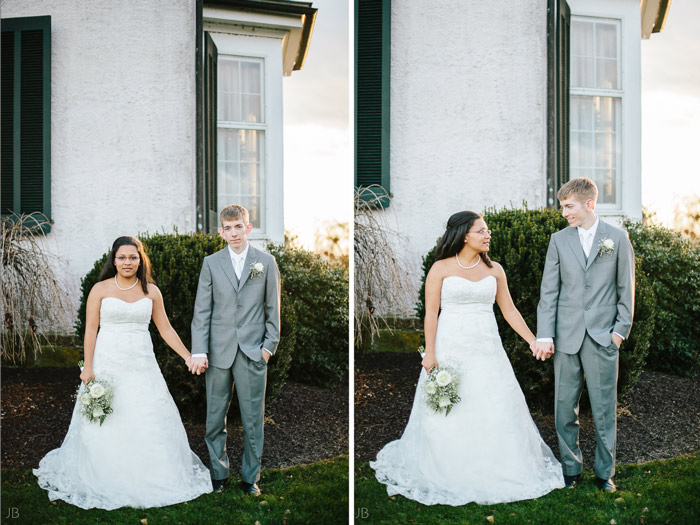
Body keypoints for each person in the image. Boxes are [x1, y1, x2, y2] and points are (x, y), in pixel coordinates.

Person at [371, 211, 564, 505]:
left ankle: (499, 465)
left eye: (487, 231)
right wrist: (431, 352)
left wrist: (532, 340)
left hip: (487, 349)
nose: (488, 235)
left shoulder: (495, 269)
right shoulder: (440, 268)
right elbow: (431, 312)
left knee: (493, 402)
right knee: (450, 408)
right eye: (481, 231)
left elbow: (509, 310)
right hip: (451, 348)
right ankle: (447, 466)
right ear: (464, 235)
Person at [33, 236, 212, 510]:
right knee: (107, 418)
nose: (127, 262)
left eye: (133, 257)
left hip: (142, 364)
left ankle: (153, 475)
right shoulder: (100, 289)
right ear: (113, 260)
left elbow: (165, 329)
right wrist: (88, 367)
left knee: (146, 415)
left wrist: (188, 356)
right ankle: (103, 474)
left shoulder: (151, 291)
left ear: (140, 260)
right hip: (108, 363)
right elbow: (91, 329)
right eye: (122, 257)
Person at [534, 177, 635, 493]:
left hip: (603, 338)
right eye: (562, 207)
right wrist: (546, 335)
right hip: (565, 338)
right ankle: (571, 470)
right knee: (564, 407)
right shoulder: (559, 240)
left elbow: (626, 291)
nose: (564, 212)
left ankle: (605, 473)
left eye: (569, 206)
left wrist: (618, 333)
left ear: (589, 204)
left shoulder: (617, 239)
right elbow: (549, 292)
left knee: (605, 409)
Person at [189, 204, 281, 496]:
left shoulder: (265, 262)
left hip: (253, 353)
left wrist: (268, 348)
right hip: (218, 353)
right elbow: (202, 312)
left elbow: (273, 310)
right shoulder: (211, 263)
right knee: (215, 417)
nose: (233, 233)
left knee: (253, 418)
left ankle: (250, 478)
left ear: (248, 228)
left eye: (238, 226)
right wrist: (200, 351)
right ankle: (218, 474)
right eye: (227, 228)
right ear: (221, 232)